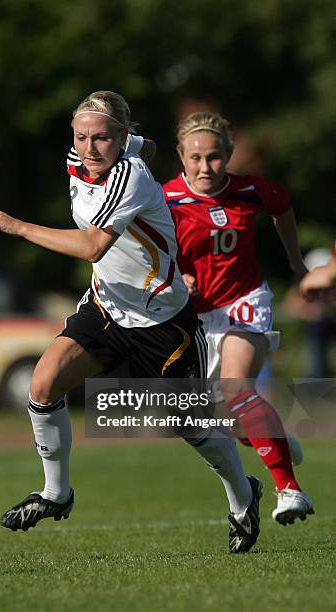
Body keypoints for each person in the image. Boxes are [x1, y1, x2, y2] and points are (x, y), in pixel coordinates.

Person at [0, 91, 263, 554]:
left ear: (119, 138)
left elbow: (92, 247)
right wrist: (133, 140)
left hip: (163, 321)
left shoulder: (130, 176)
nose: (89, 147)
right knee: (43, 384)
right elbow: (141, 144)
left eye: (101, 137)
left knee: (192, 427)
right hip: (106, 306)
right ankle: (55, 494)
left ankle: (243, 498)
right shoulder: (94, 154)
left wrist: (17, 226)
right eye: (81, 135)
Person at [163, 111, 314, 526]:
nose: (204, 166)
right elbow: (147, 252)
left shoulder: (250, 191)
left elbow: (282, 205)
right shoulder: (164, 200)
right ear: (181, 157)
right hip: (196, 319)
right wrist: (175, 277)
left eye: (213, 157)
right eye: (195, 158)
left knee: (237, 387)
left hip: (245, 301)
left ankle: (290, 490)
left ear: (228, 155)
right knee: (235, 421)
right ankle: (277, 439)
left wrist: (295, 260)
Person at [284, 248, 336, 377]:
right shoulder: (302, 287)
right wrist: (309, 313)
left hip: (331, 326)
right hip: (315, 331)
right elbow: (290, 307)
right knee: (316, 366)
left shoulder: (331, 288)